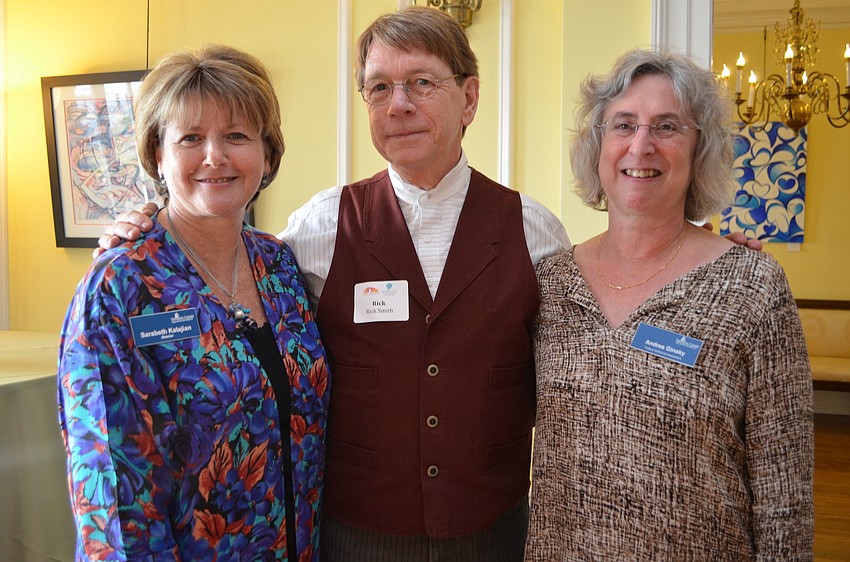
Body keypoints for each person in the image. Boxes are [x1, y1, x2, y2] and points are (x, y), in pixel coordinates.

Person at [94, 9, 761, 561]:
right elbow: (217, 260)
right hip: (352, 539)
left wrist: (703, 256)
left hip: (494, 536)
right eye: (379, 88)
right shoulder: (315, 230)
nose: (399, 104)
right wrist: (146, 225)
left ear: (469, 97)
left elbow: (611, 329)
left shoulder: (537, 232)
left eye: (420, 82)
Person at [525, 49, 814, 561]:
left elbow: (784, 490)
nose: (642, 145)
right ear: (597, 146)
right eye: (624, 125)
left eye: (667, 127)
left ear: (700, 150)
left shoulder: (752, 287)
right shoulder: (550, 282)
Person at [58, 45, 329, 561]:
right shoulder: (121, 288)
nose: (215, 156)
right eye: (190, 138)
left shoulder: (279, 266)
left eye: (236, 136)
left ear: (267, 154)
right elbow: (112, 504)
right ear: (157, 155)